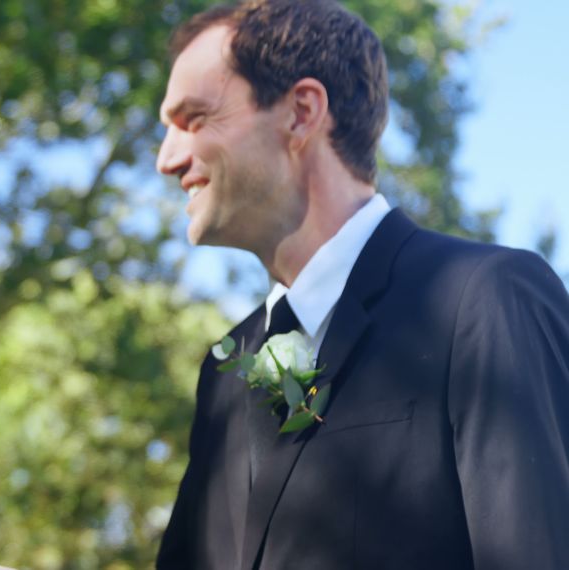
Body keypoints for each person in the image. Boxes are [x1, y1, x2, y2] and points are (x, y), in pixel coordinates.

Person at [154, 1, 569, 568]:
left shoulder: (485, 300)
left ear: (301, 112)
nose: (167, 158)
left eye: (194, 119)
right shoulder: (223, 375)